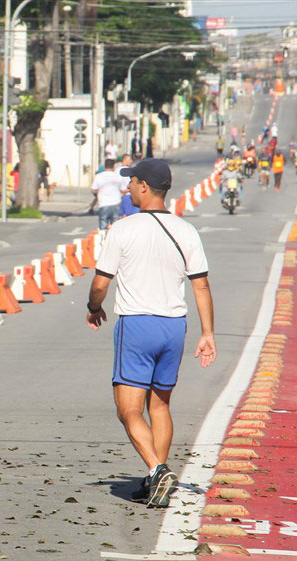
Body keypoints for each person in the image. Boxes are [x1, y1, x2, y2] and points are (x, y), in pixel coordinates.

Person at [85, 158, 215, 509]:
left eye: (131, 181)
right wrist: (208, 333)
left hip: (137, 324)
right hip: (174, 326)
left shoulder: (123, 229)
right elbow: (201, 286)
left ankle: (158, 469)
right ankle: (156, 479)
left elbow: (100, 284)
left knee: (128, 409)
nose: (127, 187)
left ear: (144, 186)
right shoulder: (186, 230)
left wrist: (94, 307)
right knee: (160, 405)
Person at [90, 158, 128, 230]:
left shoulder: (99, 176)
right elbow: (123, 190)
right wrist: (120, 195)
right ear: (114, 166)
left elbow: (93, 189)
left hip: (103, 203)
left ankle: (103, 236)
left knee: (103, 225)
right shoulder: (118, 176)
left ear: (105, 166)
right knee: (115, 226)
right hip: (116, 203)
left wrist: (99, 194)